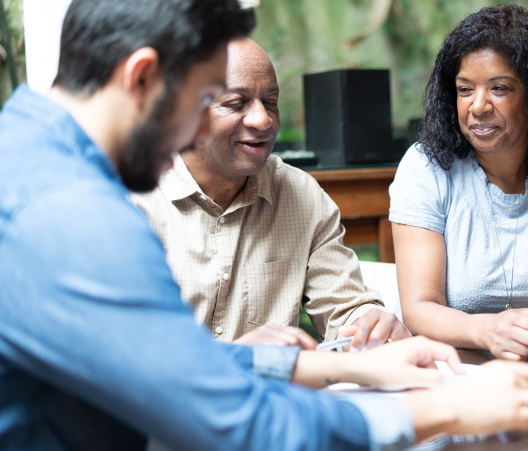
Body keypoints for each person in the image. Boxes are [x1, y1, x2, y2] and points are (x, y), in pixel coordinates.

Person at [0, 0, 528, 451]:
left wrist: (348, 370)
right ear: (144, 76)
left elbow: (165, 364)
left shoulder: (28, 157)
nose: (196, 130)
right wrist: (447, 408)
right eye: (207, 100)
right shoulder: (75, 215)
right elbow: (239, 433)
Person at [131, 36, 409, 352]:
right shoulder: (130, 199)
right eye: (236, 103)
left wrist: (368, 324)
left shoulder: (302, 195)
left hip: (275, 395)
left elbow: (342, 306)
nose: (263, 120)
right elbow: (119, 347)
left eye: (271, 102)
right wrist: (236, 356)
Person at [390, 4, 528, 361]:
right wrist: (487, 330)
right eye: (465, 89)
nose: (478, 106)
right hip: (457, 371)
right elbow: (421, 306)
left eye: (499, 88)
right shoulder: (424, 166)